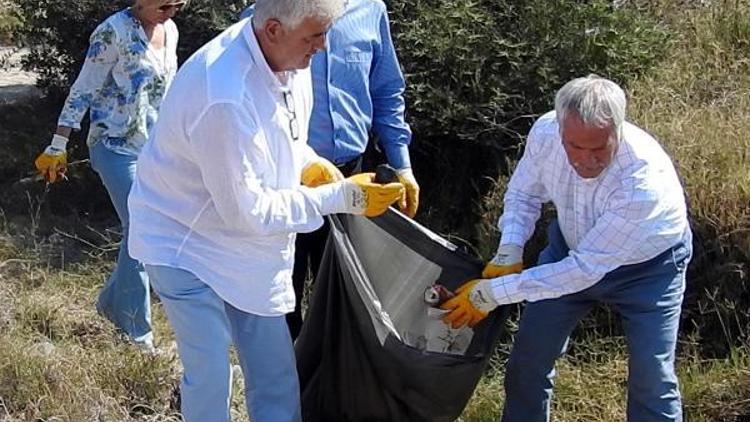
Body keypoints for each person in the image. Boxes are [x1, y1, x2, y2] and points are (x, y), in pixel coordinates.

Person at [126, 0, 404, 419]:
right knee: (211, 372)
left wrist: (309, 163)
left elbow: (278, 131)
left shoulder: (289, 58)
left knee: (275, 372)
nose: (323, 47)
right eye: (314, 36)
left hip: (245, 244)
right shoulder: (223, 94)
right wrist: (344, 197)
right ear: (273, 29)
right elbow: (249, 211)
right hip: (183, 241)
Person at [441, 75, 692, 421]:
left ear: (619, 129)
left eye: (599, 148)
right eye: (575, 146)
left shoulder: (641, 182)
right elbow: (524, 194)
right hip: (568, 248)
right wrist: (510, 249)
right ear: (560, 128)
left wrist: (491, 293)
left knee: (651, 377)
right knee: (528, 360)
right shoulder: (545, 133)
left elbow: (583, 271)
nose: (586, 160)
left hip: (649, 270)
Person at [241, 0, 420, 340]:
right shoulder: (267, 15)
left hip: (353, 178)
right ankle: (286, 380)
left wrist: (403, 164)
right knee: (281, 292)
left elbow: (387, 91)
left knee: (343, 292)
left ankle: (328, 381)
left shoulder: (371, 10)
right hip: (287, 178)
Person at [33, 0, 186, 351]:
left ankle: (109, 304)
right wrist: (58, 145)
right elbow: (83, 89)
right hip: (113, 146)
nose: (172, 11)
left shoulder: (170, 31)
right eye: (165, 4)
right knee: (143, 228)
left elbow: (167, 95)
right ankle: (137, 336)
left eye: (179, 4)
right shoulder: (112, 31)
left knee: (145, 230)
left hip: (153, 150)